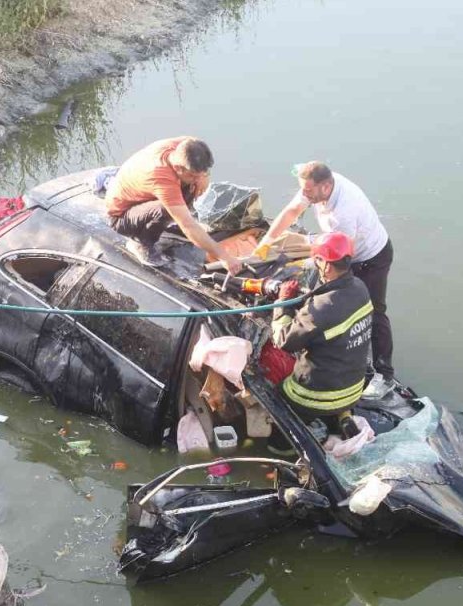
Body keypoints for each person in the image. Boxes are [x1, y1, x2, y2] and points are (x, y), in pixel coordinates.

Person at [256, 161, 395, 395]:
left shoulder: (344, 211)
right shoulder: (315, 185)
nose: (304, 195)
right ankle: (332, 346)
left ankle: (384, 375)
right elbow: (291, 212)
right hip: (340, 251)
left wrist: (311, 259)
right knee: (328, 301)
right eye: (303, 189)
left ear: (326, 186)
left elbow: (342, 252)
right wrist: (267, 241)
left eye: (308, 191)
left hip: (371, 257)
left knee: (374, 310)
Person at [268, 233, 373, 455]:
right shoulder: (360, 288)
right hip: (354, 388)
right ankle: (341, 417)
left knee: (276, 400)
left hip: (317, 395)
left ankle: (282, 451)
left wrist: (283, 302)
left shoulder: (320, 308)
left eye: (317, 259)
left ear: (326, 267)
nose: (315, 264)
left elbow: (283, 340)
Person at [105, 136, 242, 274]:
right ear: (178, 167)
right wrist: (224, 257)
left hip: (142, 198)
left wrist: (202, 178)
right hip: (121, 217)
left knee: (190, 188)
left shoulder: (187, 145)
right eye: (193, 175)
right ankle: (141, 244)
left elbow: (197, 148)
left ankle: (175, 216)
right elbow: (188, 226)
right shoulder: (161, 178)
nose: (199, 178)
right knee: (166, 209)